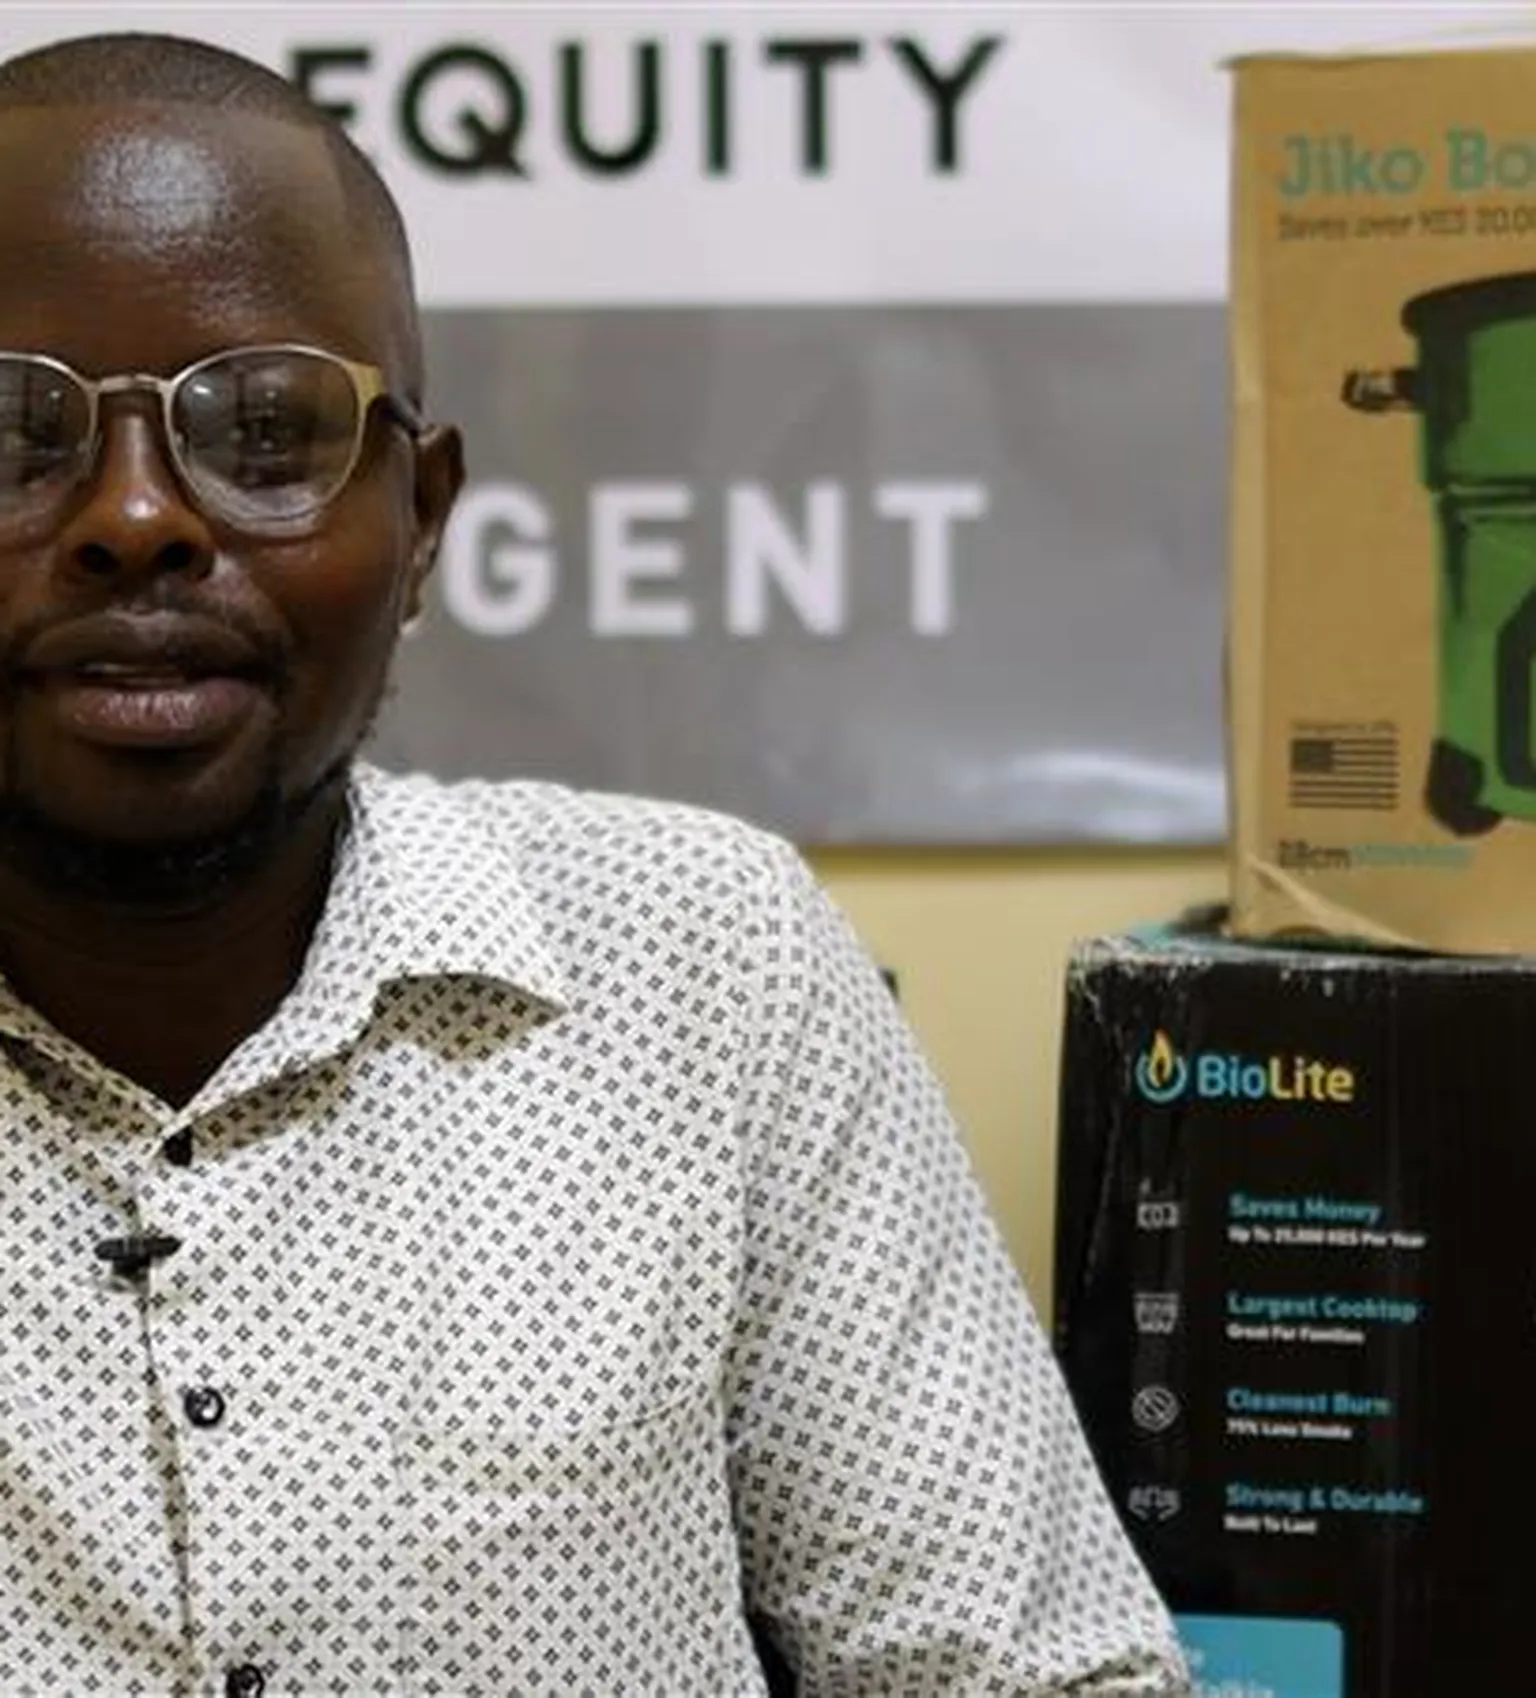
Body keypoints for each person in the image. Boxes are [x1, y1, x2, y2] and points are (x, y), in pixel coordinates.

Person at [0, 29, 1191, 1698]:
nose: (135, 519)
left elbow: (1028, 1675)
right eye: (13, 436)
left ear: (422, 522)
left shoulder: (712, 964)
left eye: (264, 432)